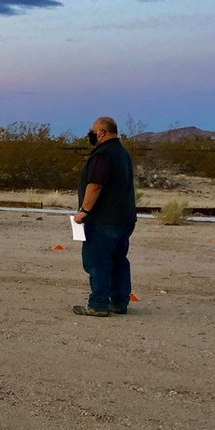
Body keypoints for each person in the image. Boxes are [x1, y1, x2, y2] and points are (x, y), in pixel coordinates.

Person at [73, 116, 137, 317]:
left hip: (103, 219)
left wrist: (84, 211)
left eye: (92, 131)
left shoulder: (103, 155)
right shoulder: (122, 153)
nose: (90, 134)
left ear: (102, 132)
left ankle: (98, 303)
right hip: (124, 217)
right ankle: (119, 302)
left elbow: (95, 185)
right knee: (118, 260)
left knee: (97, 261)